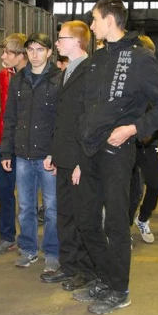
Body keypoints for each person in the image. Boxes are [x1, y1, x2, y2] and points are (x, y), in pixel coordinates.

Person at [72, 0, 158, 315]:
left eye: (94, 19)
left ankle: (120, 290)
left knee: (116, 223)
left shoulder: (140, 58)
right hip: (89, 151)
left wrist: (133, 128)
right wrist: (79, 154)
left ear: (109, 20)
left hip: (117, 152)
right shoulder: (98, 58)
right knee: (86, 219)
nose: (91, 25)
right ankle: (105, 278)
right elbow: (87, 108)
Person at [1, 32, 63, 272]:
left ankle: (52, 252)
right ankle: (28, 249)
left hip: (47, 156)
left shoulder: (59, 80)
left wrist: (56, 153)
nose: (35, 55)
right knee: (25, 207)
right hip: (23, 155)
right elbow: (10, 118)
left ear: (49, 52)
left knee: (52, 208)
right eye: (31, 50)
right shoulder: (18, 80)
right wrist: (6, 152)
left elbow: (62, 121)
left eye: (40, 50)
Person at [41, 20, 96, 289]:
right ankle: (69, 266)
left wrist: (81, 162)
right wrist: (54, 153)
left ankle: (86, 270)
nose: (56, 42)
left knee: (82, 218)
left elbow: (88, 121)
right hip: (64, 157)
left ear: (76, 41)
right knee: (65, 215)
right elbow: (62, 119)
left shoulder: (90, 71)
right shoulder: (67, 71)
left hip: (79, 159)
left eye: (60, 38)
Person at [129, 34, 158, 244]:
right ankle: (123, 230)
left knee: (155, 184)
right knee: (129, 190)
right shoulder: (125, 79)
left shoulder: (155, 78)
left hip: (148, 144)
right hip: (127, 143)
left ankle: (143, 218)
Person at [0, 33, 27, 256]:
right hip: (5, 142)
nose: (3, 56)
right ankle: (6, 236)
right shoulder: (5, 75)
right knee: (5, 192)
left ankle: (28, 239)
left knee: (27, 196)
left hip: (27, 145)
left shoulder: (35, 77)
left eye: (7, 52)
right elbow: (6, 110)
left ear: (21, 55)